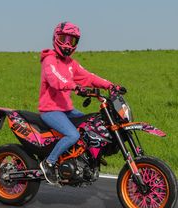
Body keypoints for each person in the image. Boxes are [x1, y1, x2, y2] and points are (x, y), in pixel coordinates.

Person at [39, 21, 125, 184]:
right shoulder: (49, 60)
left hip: (66, 109)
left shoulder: (71, 64)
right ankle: (49, 162)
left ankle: (83, 159)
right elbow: (55, 79)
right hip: (50, 110)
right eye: (64, 39)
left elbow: (89, 77)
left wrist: (110, 85)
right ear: (56, 38)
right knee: (73, 134)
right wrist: (75, 87)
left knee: (91, 125)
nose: (67, 44)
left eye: (71, 41)